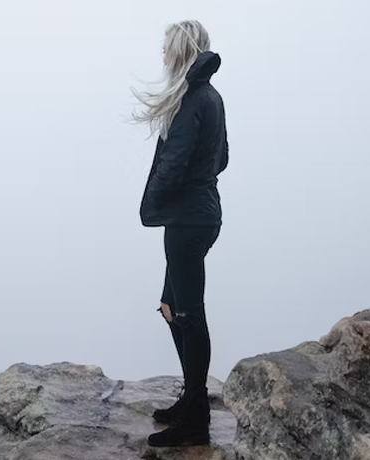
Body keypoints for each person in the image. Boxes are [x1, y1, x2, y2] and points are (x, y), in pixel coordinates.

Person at [134, 20, 228, 447]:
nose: (162, 55)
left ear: (178, 51)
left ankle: (196, 417)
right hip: (201, 215)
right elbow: (222, 157)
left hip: (188, 221)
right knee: (172, 307)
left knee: (189, 314)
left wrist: (157, 197)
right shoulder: (210, 96)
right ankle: (192, 399)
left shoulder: (193, 99)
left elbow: (174, 163)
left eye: (165, 49)